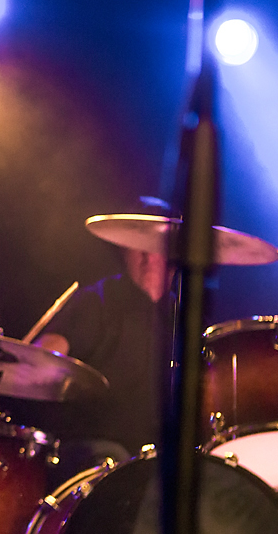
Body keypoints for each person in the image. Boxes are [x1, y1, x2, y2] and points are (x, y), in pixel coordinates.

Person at [34, 199, 176, 489]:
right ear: (122, 249)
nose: (148, 256)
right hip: (95, 455)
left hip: (161, 458)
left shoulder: (187, 317)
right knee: (115, 463)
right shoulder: (96, 300)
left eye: (157, 247)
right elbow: (43, 357)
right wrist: (30, 361)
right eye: (137, 245)